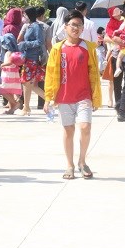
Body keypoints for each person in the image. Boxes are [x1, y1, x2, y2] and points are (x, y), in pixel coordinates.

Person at [44, 10, 102, 179]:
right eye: (73, 25)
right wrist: (48, 97)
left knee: (85, 127)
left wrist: (95, 96)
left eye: (79, 25)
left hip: (84, 96)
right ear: (65, 27)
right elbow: (51, 73)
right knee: (68, 130)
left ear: (83, 28)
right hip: (64, 97)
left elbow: (94, 74)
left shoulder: (89, 48)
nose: (76, 28)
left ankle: (82, 161)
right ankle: (69, 165)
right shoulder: (57, 48)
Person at [17, 6, 46, 116]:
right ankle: (27, 107)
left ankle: (27, 107)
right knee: (30, 84)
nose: (23, 16)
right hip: (28, 57)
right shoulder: (30, 26)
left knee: (26, 83)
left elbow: (40, 41)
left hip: (32, 58)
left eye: (25, 14)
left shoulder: (36, 27)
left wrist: (25, 44)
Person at [0, 34, 23, 114]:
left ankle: (15, 103)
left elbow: (10, 62)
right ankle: (11, 108)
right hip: (13, 73)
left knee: (3, 90)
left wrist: (2, 65)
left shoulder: (9, 52)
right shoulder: (15, 52)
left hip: (8, 74)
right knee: (10, 91)